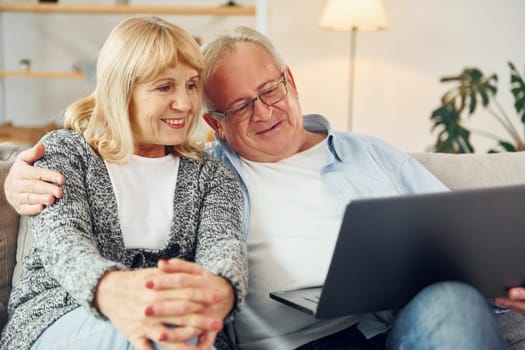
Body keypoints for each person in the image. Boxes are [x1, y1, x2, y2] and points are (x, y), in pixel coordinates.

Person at [4, 25, 523, 349]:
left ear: (290, 81)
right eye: (239, 106)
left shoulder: (373, 154)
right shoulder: (205, 167)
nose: (265, 111)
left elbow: (469, 235)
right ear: (217, 125)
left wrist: (504, 279)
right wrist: (14, 177)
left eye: (270, 90)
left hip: (396, 325)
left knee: (455, 298)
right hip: (288, 343)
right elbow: (67, 232)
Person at [0, 16, 248, 350]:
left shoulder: (211, 174)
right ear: (122, 90)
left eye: (191, 85)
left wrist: (220, 291)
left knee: (167, 333)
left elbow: (224, 248)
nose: (186, 103)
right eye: (164, 87)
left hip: (175, 324)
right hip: (61, 316)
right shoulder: (65, 153)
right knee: (151, 334)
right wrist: (113, 292)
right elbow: (63, 245)